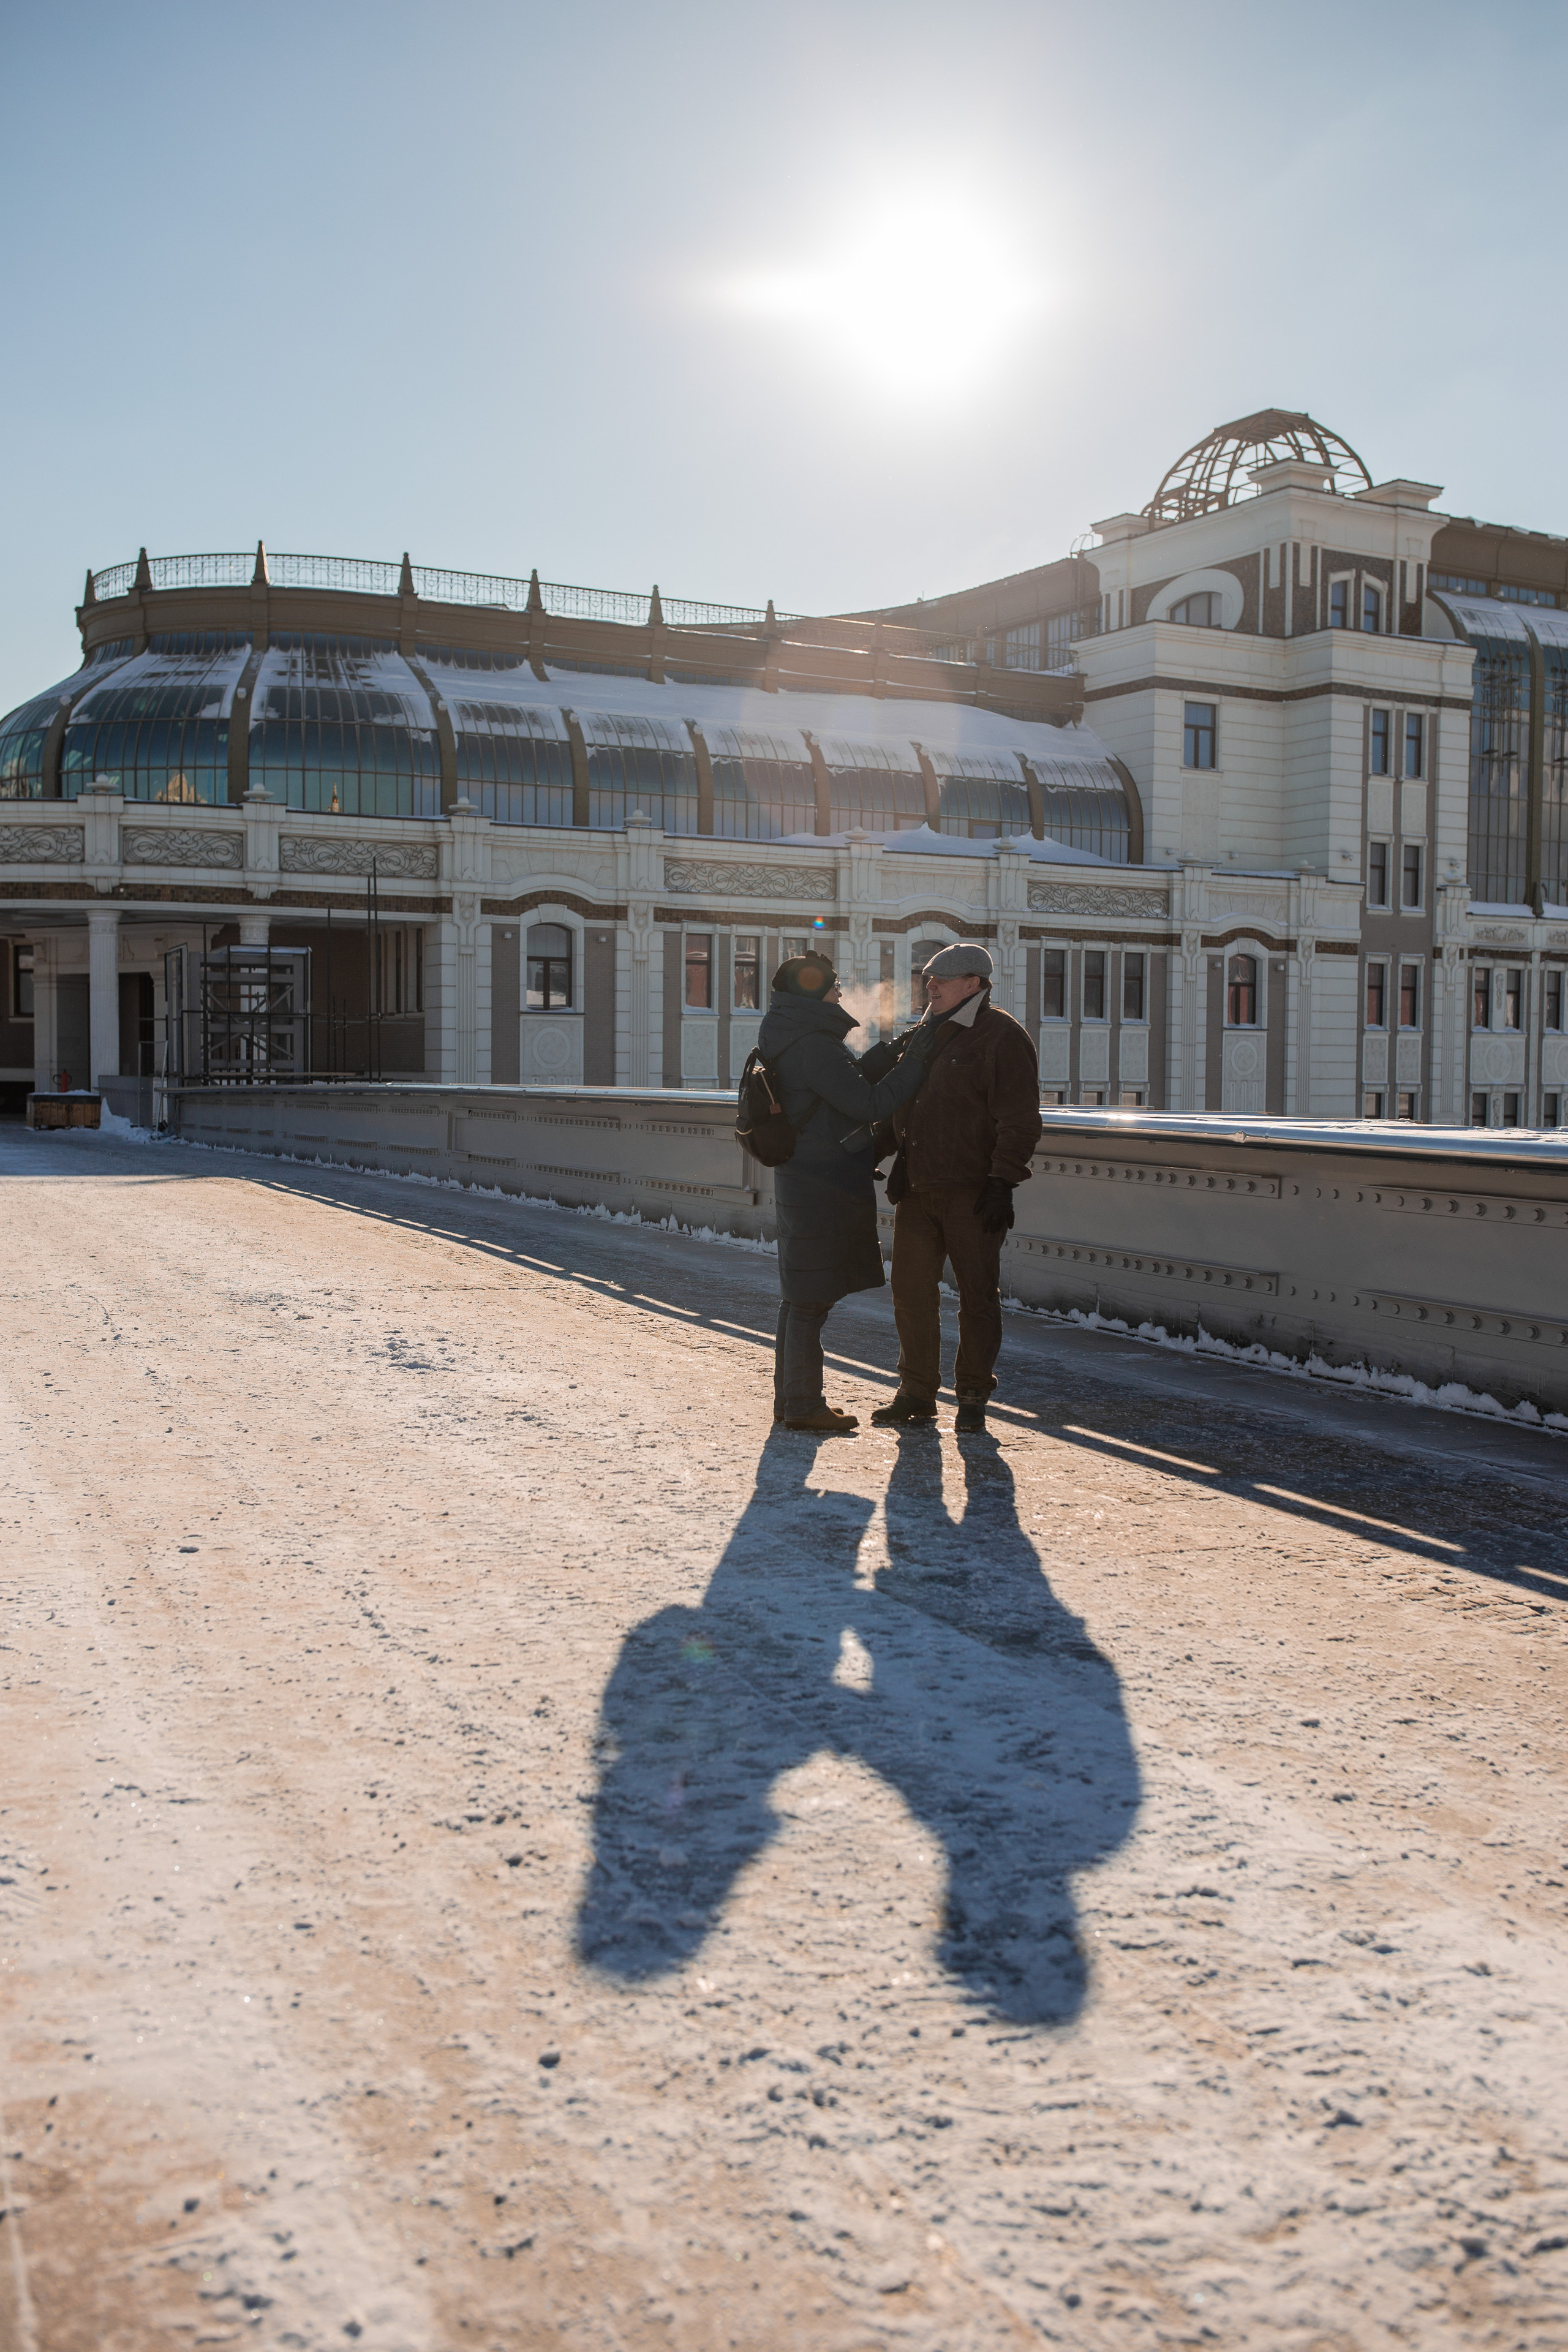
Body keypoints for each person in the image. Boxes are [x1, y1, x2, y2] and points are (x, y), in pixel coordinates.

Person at [758, 952, 937, 1434]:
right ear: (815, 993)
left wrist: (898, 1046)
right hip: (821, 1185)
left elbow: (848, 1081)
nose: (840, 993)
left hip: (804, 1178)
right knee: (810, 1301)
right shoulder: (815, 1045)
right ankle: (802, 1404)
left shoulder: (792, 1034)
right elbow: (869, 1101)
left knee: (800, 1297)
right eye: (834, 987)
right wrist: (918, 1060)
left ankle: (794, 1400)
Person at [870, 941, 1042, 1434]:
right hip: (918, 1190)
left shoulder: (1002, 1037)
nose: (930, 987)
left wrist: (1001, 1183)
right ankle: (917, 1392)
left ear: (974, 984)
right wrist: (871, 1151)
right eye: (928, 980)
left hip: (972, 1192)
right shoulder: (924, 1034)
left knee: (977, 1298)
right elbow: (901, 1106)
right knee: (910, 1292)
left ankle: (971, 1396)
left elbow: (1020, 1122)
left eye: (940, 981)